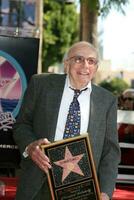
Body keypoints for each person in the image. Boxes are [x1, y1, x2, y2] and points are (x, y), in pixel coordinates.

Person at [13, 41, 120, 200]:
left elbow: (110, 151)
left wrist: (104, 191)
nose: (85, 66)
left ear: (96, 68)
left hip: (82, 189)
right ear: (66, 64)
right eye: (78, 59)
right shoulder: (40, 84)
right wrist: (30, 146)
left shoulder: (107, 100)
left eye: (91, 61)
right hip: (38, 183)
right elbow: (21, 124)